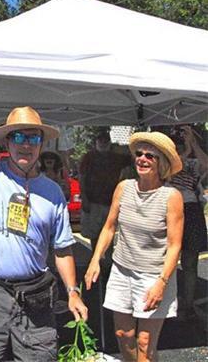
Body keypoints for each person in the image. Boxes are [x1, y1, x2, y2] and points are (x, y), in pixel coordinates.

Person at [0, 106, 88, 361]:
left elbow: (62, 248)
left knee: (39, 356)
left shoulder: (52, 192)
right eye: (18, 137)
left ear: (41, 144)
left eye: (33, 138)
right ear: (7, 141)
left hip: (35, 295)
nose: (25, 145)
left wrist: (73, 291)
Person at [85, 131, 184, 362]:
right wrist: (95, 260)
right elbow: (109, 227)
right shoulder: (124, 187)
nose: (142, 159)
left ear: (163, 163)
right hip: (121, 271)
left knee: (145, 343)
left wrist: (162, 283)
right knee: (123, 334)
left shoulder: (171, 197)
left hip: (154, 275)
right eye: (139, 154)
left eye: (151, 156)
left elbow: (174, 245)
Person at [170, 126, 208, 320]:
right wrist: (185, 149)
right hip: (170, 208)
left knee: (190, 261)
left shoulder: (192, 159)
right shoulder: (168, 161)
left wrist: (193, 142)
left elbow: (205, 165)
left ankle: (188, 302)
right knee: (167, 258)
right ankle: (169, 300)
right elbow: (174, 166)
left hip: (191, 209)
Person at [79, 130, 130, 272]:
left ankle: (107, 263)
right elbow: (82, 177)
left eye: (105, 141)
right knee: (94, 234)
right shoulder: (88, 157)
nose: (102, 143)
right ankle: (95, 259)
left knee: (109, 233)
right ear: (96, 142)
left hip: (110, 202)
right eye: (100, 140)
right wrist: (84, 198)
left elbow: (131, 157)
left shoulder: (116, 157)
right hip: (93, 201)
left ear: (109, 143)